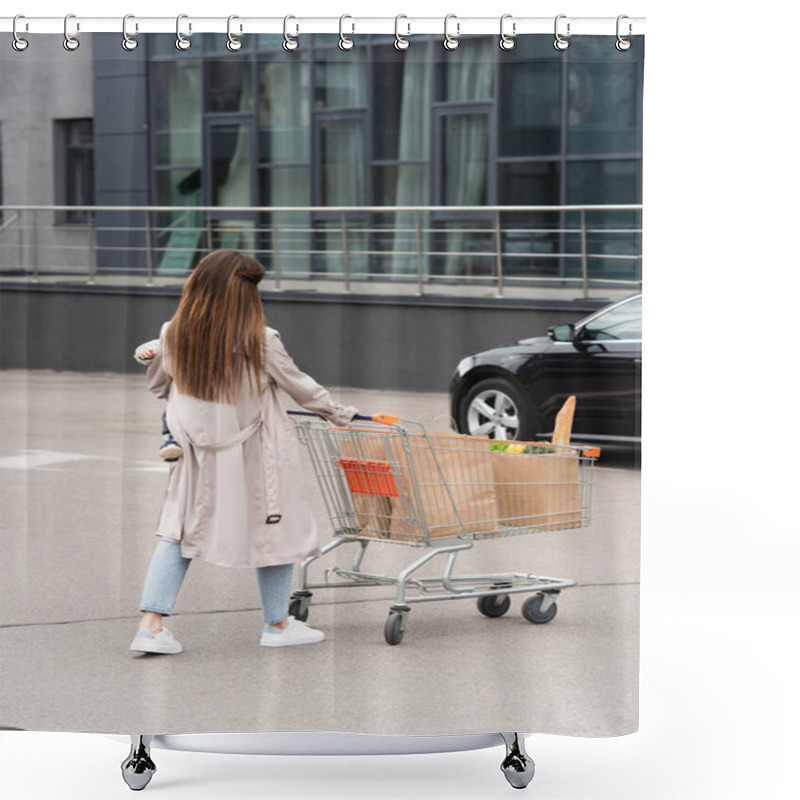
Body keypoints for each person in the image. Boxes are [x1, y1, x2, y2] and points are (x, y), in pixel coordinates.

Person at [129, 250, 358, 654]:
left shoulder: (172, 333)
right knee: (275, 530)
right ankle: (278, 625)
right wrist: (339, 414)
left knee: (178, 532)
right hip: (258, 452)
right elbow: (301, 388)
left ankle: (151, 627)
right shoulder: (260, 340)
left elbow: (159, 387)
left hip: (196, 454)